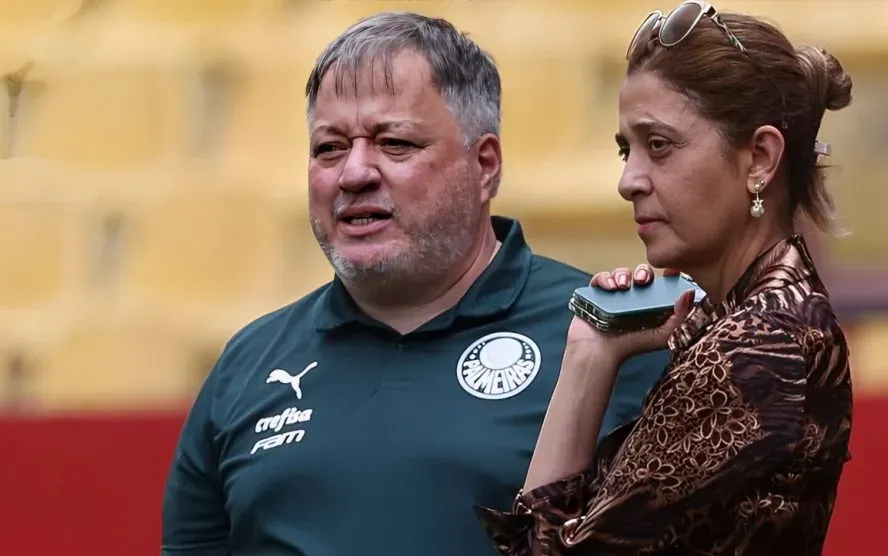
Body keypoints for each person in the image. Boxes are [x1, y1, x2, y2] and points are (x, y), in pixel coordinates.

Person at [160, 12, 667, 556]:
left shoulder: (612, 341)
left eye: (394, 142)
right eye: (329, 147)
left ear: (485, 165)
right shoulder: (248, 365)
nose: (354, 173)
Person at [475, 1, 855, 554]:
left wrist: (586, 361)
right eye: (627, 150)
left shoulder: (759, 345)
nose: (628, 181)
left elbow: (544, 550)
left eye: (659, 146)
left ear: (760, 159)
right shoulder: (739, 317)